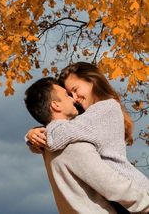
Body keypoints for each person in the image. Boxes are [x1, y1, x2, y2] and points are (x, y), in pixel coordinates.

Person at [24, 75, 149, 213]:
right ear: (56, 105)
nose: (73, 99)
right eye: (67, 95)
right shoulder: (71, 144)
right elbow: (110, 183)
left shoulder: (44, 145)